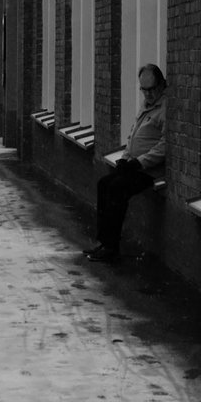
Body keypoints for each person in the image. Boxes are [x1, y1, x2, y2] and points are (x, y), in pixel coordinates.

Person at [84, 63, 167, 263]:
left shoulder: (165, 108)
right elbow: (133, 135)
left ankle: (112, 247)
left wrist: (138, 163)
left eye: (152, 89)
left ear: (162, 85)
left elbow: (165, 146)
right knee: (104, 185)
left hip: (150, 171)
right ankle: (104, 242)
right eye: (143, 90)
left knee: (115, 190)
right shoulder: (147, 106)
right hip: (134, 165)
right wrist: (125, 158)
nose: (147, 94)